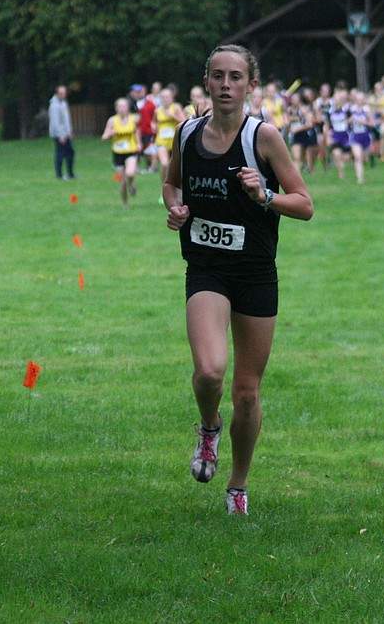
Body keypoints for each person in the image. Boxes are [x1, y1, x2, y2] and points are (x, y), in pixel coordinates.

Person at [163, 44, 314, 516]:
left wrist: (264, 194)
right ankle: (209, 427)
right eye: (217, 76)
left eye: (235, 77)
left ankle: (238, 485)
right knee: (209, 371)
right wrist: (174, 207)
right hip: (206, 268)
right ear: (206, 81)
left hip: (254, 272)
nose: (226, 85)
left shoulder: (263, 137)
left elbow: (304, 204)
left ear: (251, 86)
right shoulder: (186, 133)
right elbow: (172, 182)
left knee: (247, 391)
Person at [101, 97, 139, 207]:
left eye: (124, 106)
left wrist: (139, 143)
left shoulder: (133, 119)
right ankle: (125, 202)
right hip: (118, 153)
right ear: (116, 108)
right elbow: (104, 137)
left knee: (130, 173)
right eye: (119, 106)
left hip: (131, 151)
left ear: (128, 108)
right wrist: (110, 133)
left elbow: (136, 132)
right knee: (122, 182)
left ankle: (131, 183)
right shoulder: (112, 121)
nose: (122, 109)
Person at [152, 87, 185, 186]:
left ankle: (177, 187)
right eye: (162, 97)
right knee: (164, 164)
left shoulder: (176, 108)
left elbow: (184, 122)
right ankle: (164, 187)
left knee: (177, 167)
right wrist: (154, 126)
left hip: (174, 141)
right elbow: (153, 122)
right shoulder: (158, 111)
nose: (165, 99)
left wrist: (172, 116)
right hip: (161, 141)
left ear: (171, 98)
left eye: (167, 97)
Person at [49, 85, 75, 180]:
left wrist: (69, 132)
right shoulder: (54, 105)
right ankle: (59, 175)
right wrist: (60, 136)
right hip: (59, 135)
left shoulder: (64, 103)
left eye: (64, 93)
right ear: (57, 93)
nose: (63, 95)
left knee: (70, 152)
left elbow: (66, 119)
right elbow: (55, 122)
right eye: (61, 93)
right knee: (60, 154)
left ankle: (70, 173)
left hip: (66, 133)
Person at [131, 84, 156, 172]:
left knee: (148, 149)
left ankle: (152, 166)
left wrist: (154, 124)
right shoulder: (133, 104)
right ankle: (136, 166)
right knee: (137, 148)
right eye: (138, 92)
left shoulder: (150, 104)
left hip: (148, 129)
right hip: (137, 130)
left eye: (141, 91)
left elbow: (155, 114)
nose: (140, 94)